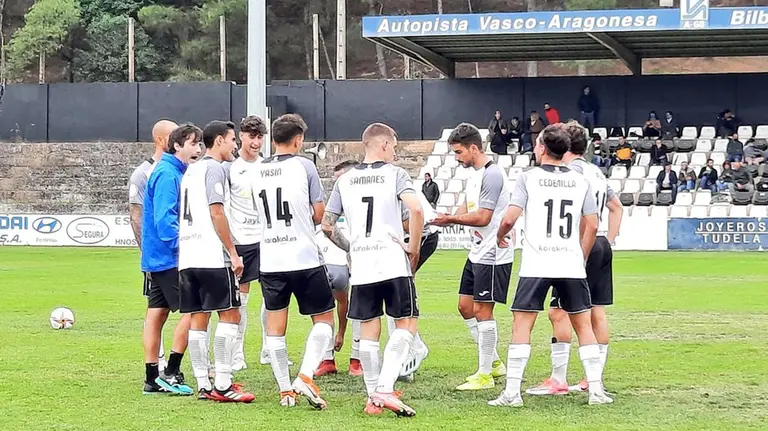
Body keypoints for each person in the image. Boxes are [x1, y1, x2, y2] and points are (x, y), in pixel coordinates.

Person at [489, 123, 612, 408]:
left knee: (522, 323)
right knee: (583, 324)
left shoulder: (528, 177)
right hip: (570, 263)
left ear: (542, 147)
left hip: (536, 262)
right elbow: (593, 224)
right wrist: (579, 256)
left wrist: (500, 236)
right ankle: (595, 390)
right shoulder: (581, 180)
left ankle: (512, 393)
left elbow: (509, 218)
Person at [322, 122, 424, 417]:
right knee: (406, 323)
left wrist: (351, 247)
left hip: (363, 264)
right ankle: (385, 388)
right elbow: (416, 210)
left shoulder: (345, 180)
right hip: (392, 261)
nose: (395, 151)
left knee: (368, 330)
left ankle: (373, 400)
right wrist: (412, 246)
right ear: (381, 145)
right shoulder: (395, 174)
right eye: (393, 145)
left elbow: (327, 225)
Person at [525, 121, 622, 396]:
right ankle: (593, 379)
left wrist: (579, 250)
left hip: (580, 246)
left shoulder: (572, 173)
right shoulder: (595, 171)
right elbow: (616, 206)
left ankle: (558, 379)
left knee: (560, 311)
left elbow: (581, 217)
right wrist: (610, 237)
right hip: (602, 242)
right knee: (597, 310)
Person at [256, 114, 336, 409]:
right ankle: (304, 374)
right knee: (325, 320)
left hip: (271, 259)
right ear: (299, 139)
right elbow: (319, 213)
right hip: (303, 255)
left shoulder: (257, 170)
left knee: (275, 328)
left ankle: (285, 391)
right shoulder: (305, 166)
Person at [430, 122, 512, 391]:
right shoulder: (475, 175)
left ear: (474, 148)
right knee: (465, 306)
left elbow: (484, 217)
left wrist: (452, 218)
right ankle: (495, 362)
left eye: (458, 152)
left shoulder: (492, 175)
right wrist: (447, 216)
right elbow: (469, 206)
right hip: (477, 251)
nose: (457, 158)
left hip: (493, 253)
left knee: (482, 309)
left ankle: (485, 374)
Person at [179, 120, 254, 402]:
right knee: (230, 314)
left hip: (189, 256)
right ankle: (223, 382)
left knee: (199, 318)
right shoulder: (214, 169)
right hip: (211, 256)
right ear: (220, 140)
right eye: (233, 139)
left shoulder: (190, 171)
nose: (235, 145)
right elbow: (217, 213)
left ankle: (203, 383)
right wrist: (233, 252)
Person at [140, 123, 202, 395]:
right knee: (194, 311)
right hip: (169, 258)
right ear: (176, 145)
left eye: (200, 144)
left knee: (157, 314)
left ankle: (152, 377)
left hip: (158, 257)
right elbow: (165, 223)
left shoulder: (171, 170)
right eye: (192, 144)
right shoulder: (168, 174)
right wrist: (188, 243)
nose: (198, 149)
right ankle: (172, 371)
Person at [221, 115, 272, 371]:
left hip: (267, 240)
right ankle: (237, 353)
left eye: (260, 137)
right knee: (241, 300)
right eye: (252, 136)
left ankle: (268, 349)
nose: (256, 142)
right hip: (241, 241)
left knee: (272, 297)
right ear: (241, 136)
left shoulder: (267, 166)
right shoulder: (231, 167)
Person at [129, 119, 176, 375]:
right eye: (174, 135)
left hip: (174, 255)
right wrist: (145, 255)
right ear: (161, 140)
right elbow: (136, 215)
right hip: (157, 256)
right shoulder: (143, 173)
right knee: (158, 310)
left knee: (165, 309)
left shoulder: (178, 169)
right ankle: (158, 362)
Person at [315, 160, 363, 378]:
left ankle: (356, 359)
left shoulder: (361, 199)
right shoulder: (334, 205)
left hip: (362, 255)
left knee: (361, 307)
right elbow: (325, 226)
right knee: (324, 306)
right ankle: (327, 358)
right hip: (333, 259)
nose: (338, 186)